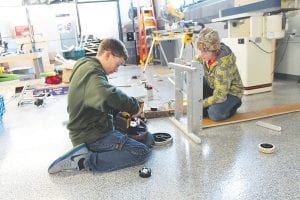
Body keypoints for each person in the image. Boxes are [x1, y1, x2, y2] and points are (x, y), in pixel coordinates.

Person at [48, 38, 153, 174]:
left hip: (89, 127)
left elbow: (101, 99)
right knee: (141, 151)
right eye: (117, 64)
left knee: (147, 138)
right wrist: (133, 107)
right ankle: (86, 160)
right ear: (108, 54)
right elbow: (106, 94)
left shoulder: (85, 66)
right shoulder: (92, 72)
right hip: (92, 135)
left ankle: (92, 151)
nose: (117, 69)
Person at [195, 27, 244, 121]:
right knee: (191, 74)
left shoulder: (223, 66)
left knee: (214, 114)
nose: (202, 54)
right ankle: (207, 107)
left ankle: (233, 105)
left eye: (204, 51)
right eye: (201, 51)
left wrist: (201, 103)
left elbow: (220, 96)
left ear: (214, 50)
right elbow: (198, 59)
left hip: (230, 93)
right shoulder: (208, 56)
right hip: (216, 87)